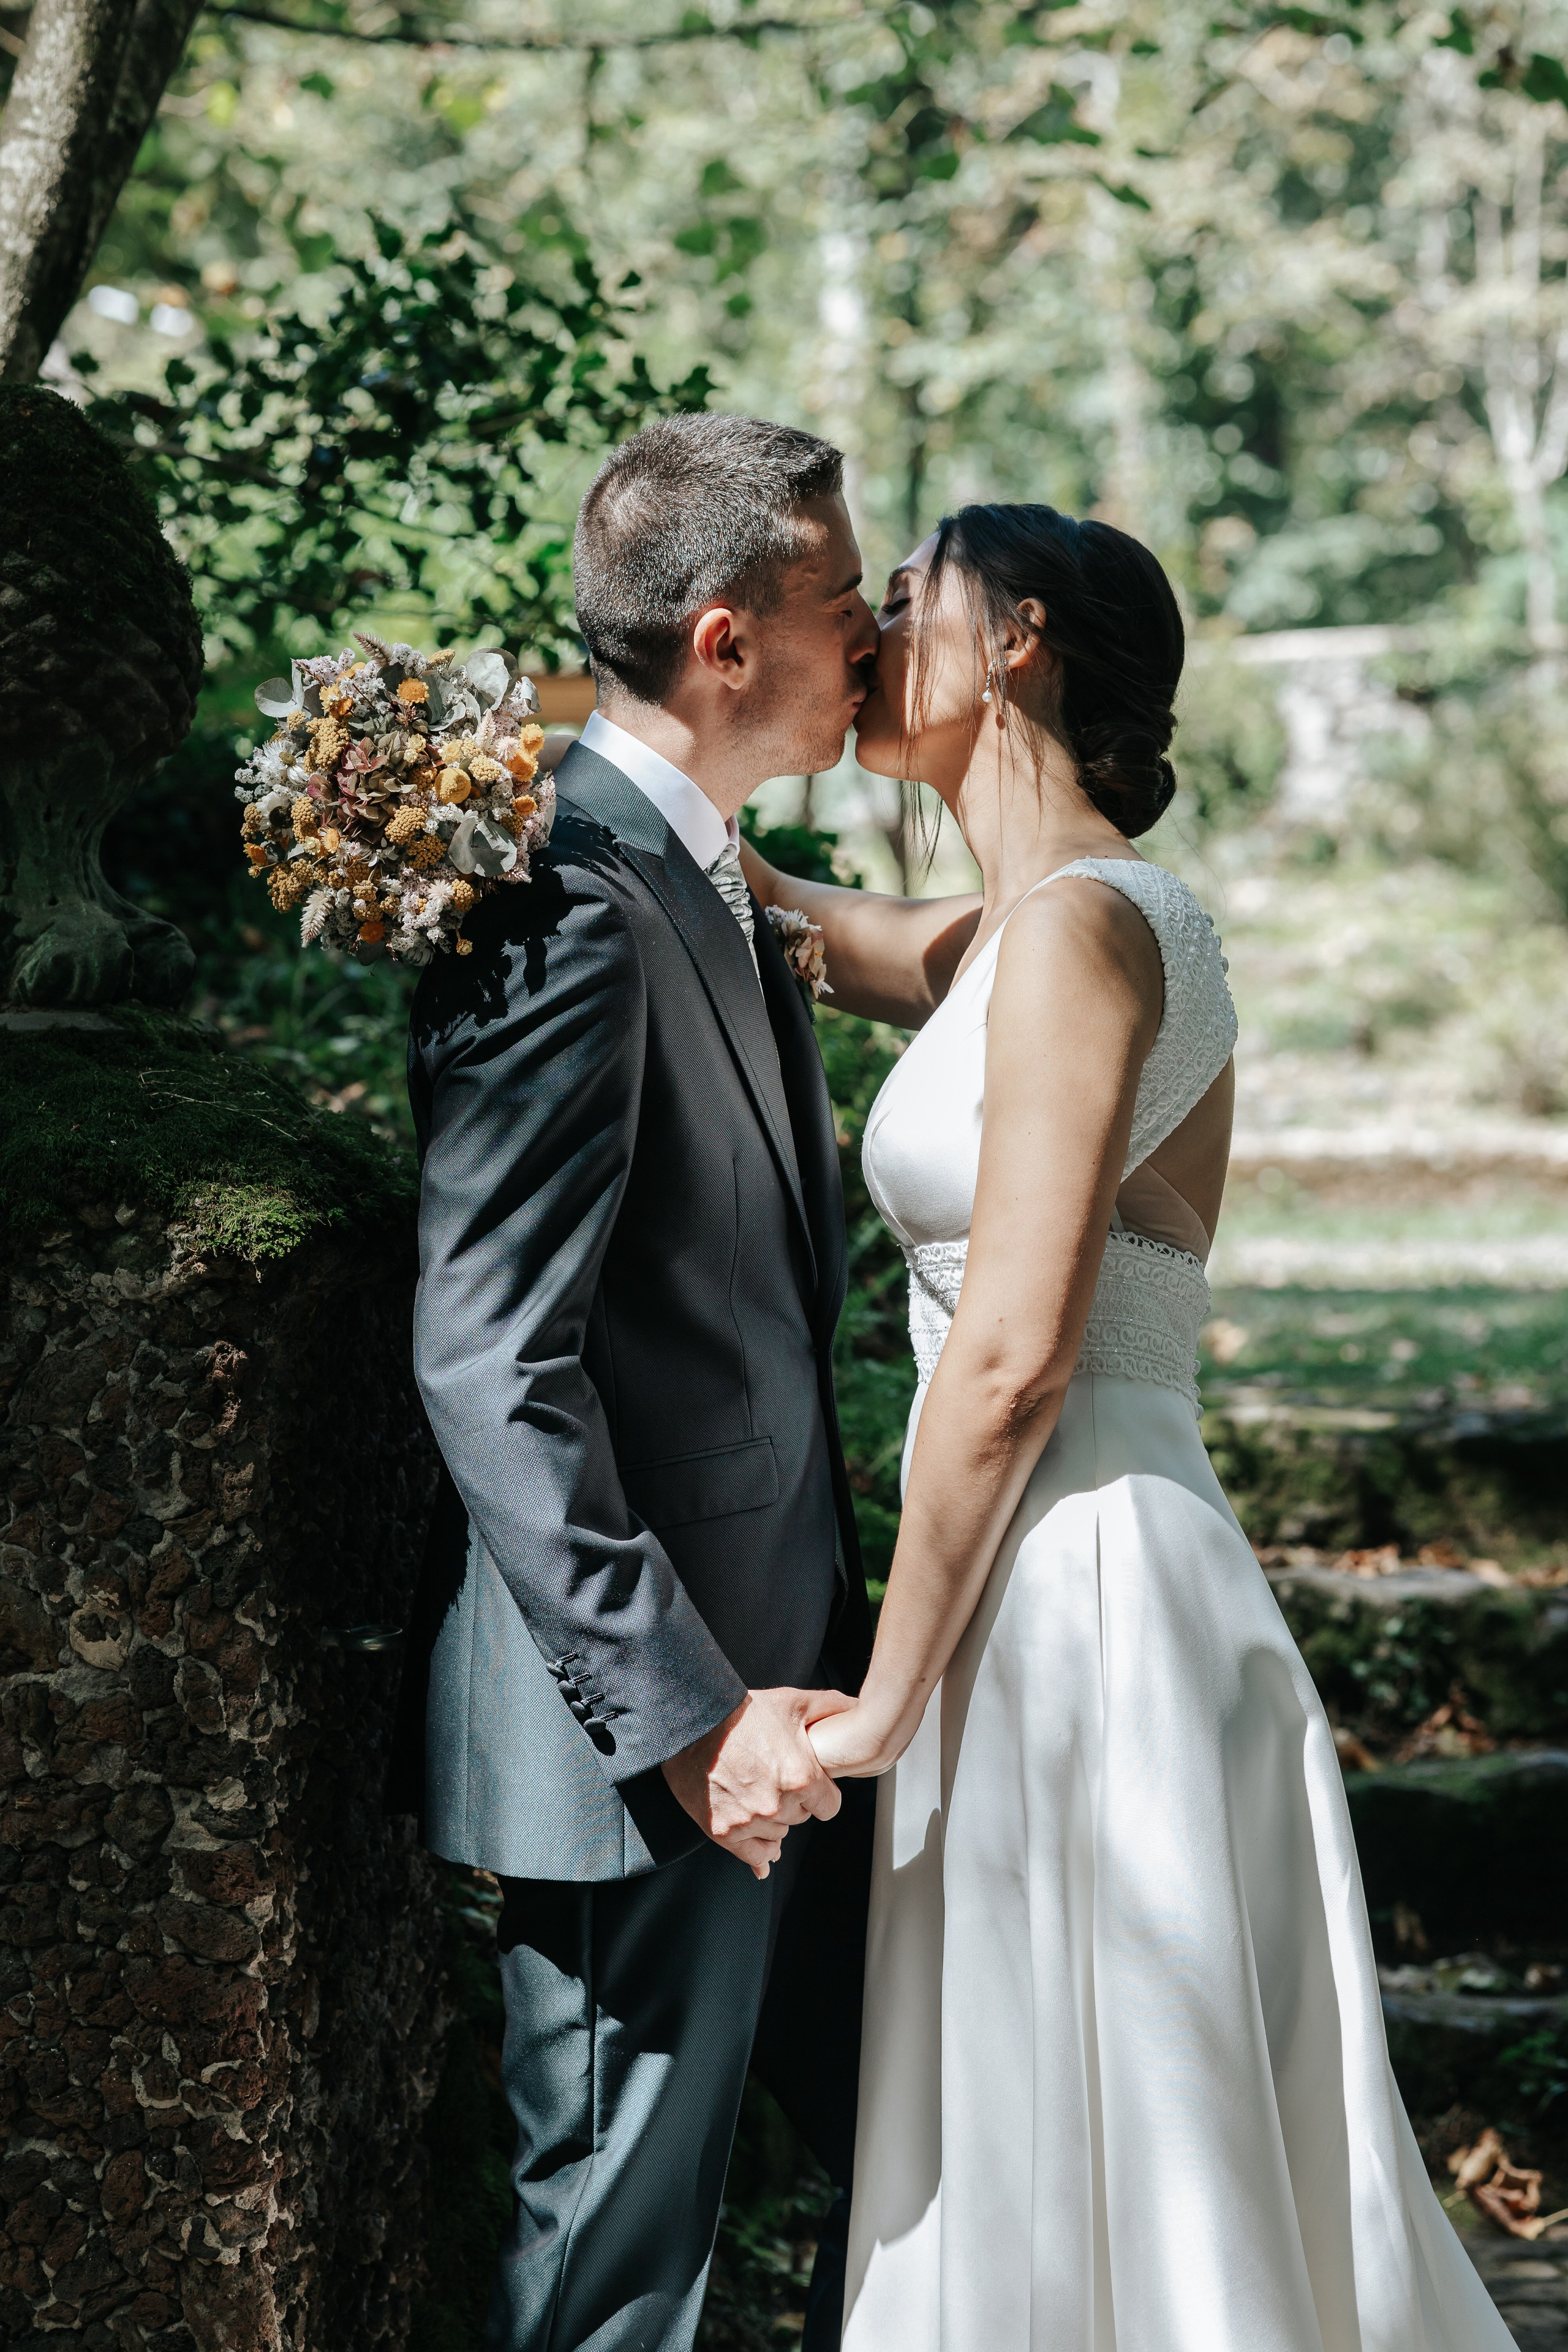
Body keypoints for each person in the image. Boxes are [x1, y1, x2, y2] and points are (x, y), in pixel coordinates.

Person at [744, 504, 1515, 2349]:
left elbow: (1011, 1363)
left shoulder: (1090, 933)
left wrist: (879, 1707)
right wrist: (503, 762)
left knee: (1137, 2154)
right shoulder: (1017, 930)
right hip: (1030, 1587)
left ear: (1017, 641)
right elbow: (810, 929)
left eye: (900, 605)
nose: (863, 646)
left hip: (1083, 1590)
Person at [390, 413, 978, 2352]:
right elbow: (492, 1350)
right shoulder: (567, 895)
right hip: (653, 1732)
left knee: (917, 2157)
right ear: (727, 641)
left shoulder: (700, 870)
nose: (870, 649)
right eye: (839, 607)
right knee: (614, 2265)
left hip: (789, 1666)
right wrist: (682, 1714)